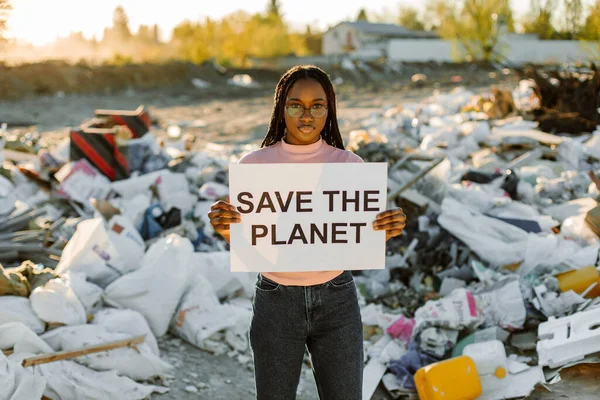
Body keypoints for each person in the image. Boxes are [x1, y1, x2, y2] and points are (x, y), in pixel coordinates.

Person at [208, 65, 406, 400]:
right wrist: (225, 229)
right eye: (296, 105)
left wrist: (386, 230)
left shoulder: (350, 166)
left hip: (337, 299)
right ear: (281, 108)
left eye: (317, 105)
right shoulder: (254, 166)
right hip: (276, 301)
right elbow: (252, 242)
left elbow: (356, 237)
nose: (306, 114)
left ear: (329, 110)